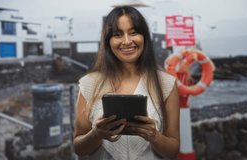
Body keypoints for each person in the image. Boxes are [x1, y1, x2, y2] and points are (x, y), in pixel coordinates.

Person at [73, 6, 180, 160]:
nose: (127, 41)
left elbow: (173, 150)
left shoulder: (166, 84)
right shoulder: (89, 84)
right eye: (117, 34)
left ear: (144, 37)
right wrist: (96, 134)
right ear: (108, 40)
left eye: (133, 32)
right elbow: (79, 148)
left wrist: (154, 135)